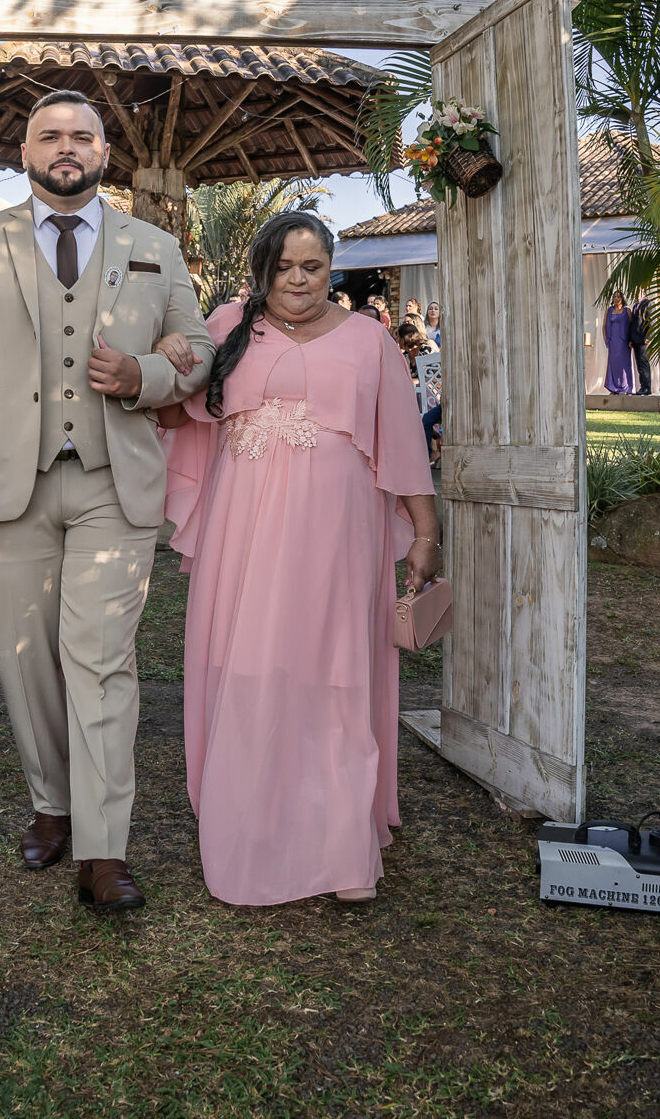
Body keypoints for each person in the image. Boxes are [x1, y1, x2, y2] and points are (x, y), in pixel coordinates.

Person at [0, 89, 214, 914]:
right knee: (25, 659)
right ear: (25, 152)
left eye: (82, 133)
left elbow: (203, 351)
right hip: (8, 483)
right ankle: (52, 800)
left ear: (104, 151)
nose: (67, 145)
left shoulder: (155, 245)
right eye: (50, 134)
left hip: (115, 483)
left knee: (99, 656)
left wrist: (147, 376)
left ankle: (102, 848)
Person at [157, 210, 440, 907]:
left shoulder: (371, 340)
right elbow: (176, 407)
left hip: (338, 535)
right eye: (284, 267)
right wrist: (163, 355)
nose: (298, 281)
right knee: (248, 661)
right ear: (263, 269)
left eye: (312, 267)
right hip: (244, 531)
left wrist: (426, 536)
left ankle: (340, 847)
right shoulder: (227, 326)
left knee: (333, 669)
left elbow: (403, 445)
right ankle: (249, 820)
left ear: (331, 269)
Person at [602, 294, 635, 394]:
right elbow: (604, 326)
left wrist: (631, 340)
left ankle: (626, 388)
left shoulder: (627, 310)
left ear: (622, 299)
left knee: (624, 365)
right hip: (613, 342)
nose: (616, 299)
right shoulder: (609, 311)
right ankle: (613, 388)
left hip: (624, 342)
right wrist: (605, 339)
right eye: (614, 297)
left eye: (618, 297)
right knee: (613, 364)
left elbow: (632, 326)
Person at [627, 292, 654, 394]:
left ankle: (647, 388)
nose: (635, 293)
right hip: (635, 340)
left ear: (643, 292)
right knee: (639, 366)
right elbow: (633, 324)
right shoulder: (635, 305)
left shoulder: (648, 304)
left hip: (643, 340)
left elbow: (651, 321)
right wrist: (631, 339)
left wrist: (648, 337)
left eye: (638, 291)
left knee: (644, 364)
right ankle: (643, 387)